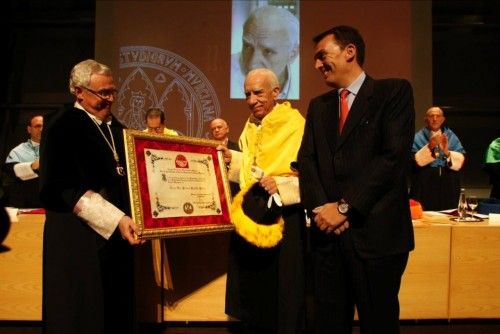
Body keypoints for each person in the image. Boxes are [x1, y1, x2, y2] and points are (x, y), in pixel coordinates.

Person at [297, 26, 415, 334]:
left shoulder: (393, 92)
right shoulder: (318, 106)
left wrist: (345, 208)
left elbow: (392, 158)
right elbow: (307, 161)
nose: (316, 65)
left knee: (379, 323)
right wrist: (323, 208)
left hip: (376, 238)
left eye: (323, 55)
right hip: (328, 239)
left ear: (350, 51)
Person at [39, 59, 144, 334]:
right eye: (103, 93)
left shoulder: (118, 128)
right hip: (78, 237)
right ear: (78, 91)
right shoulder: (61, 126)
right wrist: (117, 218)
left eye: (112, 91)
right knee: (83, 312)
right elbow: (63, 188)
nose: (110, 99)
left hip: (118, 235)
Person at [223, 68, 305, 333]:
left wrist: (281, 185)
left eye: (258, 93)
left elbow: (311, 173)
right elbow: (251, 165)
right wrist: (231, 161)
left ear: (276, 92)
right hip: (252, 214)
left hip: (284, 216)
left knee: (281, 290)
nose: (251, 100)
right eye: (247, 93)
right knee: (254, 288)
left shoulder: (295, 124)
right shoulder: (251, 125)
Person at [231, 5, 299, 100]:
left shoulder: (306, 82)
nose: (252, 65)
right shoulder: (226, 73)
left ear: (292, 54)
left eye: (268, 52)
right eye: (247, 46)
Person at [409, 106, 466, 211]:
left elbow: (460, 161)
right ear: (426, 119)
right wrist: (430, 147)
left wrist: (447, 153)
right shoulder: (418, 138)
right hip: (425, 185)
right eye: (431, 116)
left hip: (448, 184)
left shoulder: (451, 136)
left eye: (438, 116)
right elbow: (412, 162)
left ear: (443, 119)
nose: (435, 119)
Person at [3, 115, 43, 208]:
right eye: (37, 126)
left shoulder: (57, 149)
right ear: (29, 129)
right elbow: (10, 172)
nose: (41, 129)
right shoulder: (17, 151)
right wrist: (32, 166)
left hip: (52, 204)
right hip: (27, 203)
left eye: (44, 126)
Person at [210, 118, 240, 196]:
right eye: (213, 129)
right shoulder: (208, 149)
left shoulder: (238, 147)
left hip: (236, 191)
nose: (216, 130)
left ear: (227, 129)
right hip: (216, 192)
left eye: (219, 127)